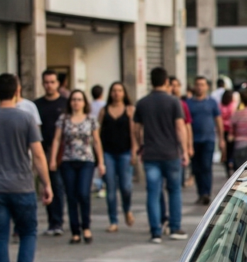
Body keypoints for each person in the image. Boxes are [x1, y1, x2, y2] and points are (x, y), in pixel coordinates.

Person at [0, 73, 53, 262]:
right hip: (22, 186)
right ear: (17, 91)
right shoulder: (26, 118)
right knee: (28, 232)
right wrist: (46, 184)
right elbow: (38, 154)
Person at [135, 67, 190, 243]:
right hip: (171, 153)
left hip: (151, 154)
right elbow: (180, 127)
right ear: (166, 81)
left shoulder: (142, 103)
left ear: (151, 81)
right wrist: (185, 150)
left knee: (153, 192)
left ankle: (156, 231)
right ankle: (175, 227)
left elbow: (136, 128)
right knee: (174, 191)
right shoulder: (174, 102)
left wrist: (141, 145)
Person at [49, 89, 105, 245]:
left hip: (86, 160)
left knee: (83, 193)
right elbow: (56, 139)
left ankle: (86, 227)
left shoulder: (91, 119)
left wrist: (101, 162)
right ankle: (75, 231)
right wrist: (52, 159)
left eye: (79, 99)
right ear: (70, 102)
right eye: (74, 99)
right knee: (71, 195)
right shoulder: (64, 119)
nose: (76, 102)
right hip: (68, 161)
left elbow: (97, 141)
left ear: (84, 102)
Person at [98, 82, 137, 232]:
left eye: (120, 90)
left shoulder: (129, 110)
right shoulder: (104, 110)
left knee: (126, 186)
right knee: (111, 188)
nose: (116, 93)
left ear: (124, 93)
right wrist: (99, 156)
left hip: (125, 152)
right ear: (110, 93)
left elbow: (134, 133)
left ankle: (127, 209)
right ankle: (113, 220)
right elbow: (98, 133)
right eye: (114, 90)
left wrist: (134, 152)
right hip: (108, 153)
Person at [34, 69, 68, 236]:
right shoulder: (37, 104)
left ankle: (59, 221)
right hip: (43, 151)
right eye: (46, 82)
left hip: (64, 152)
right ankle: (53, 221)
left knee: (60, 186)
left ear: (58, 83)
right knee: (50, 186)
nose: (49, 85)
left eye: (52, 82)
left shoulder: (64, 103)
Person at [186, 76, 224, 205]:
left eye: (202, 84)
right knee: (196, 168)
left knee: (206, 166)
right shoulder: (189, 103)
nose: (200, 87)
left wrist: (221, 139)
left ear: (207, 87)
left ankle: (206, 193)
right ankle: (201, 193)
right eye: (197, 84)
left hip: (208, 139)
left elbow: (218, 121)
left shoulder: (212, 102)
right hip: (193, 141)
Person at [219, 89, 237, 176]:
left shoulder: (220, 106)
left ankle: (227, 168)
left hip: (223, 130)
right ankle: (231, 165)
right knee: (231, 149)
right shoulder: (233, 105)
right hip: (231, 130)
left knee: (225, 150)